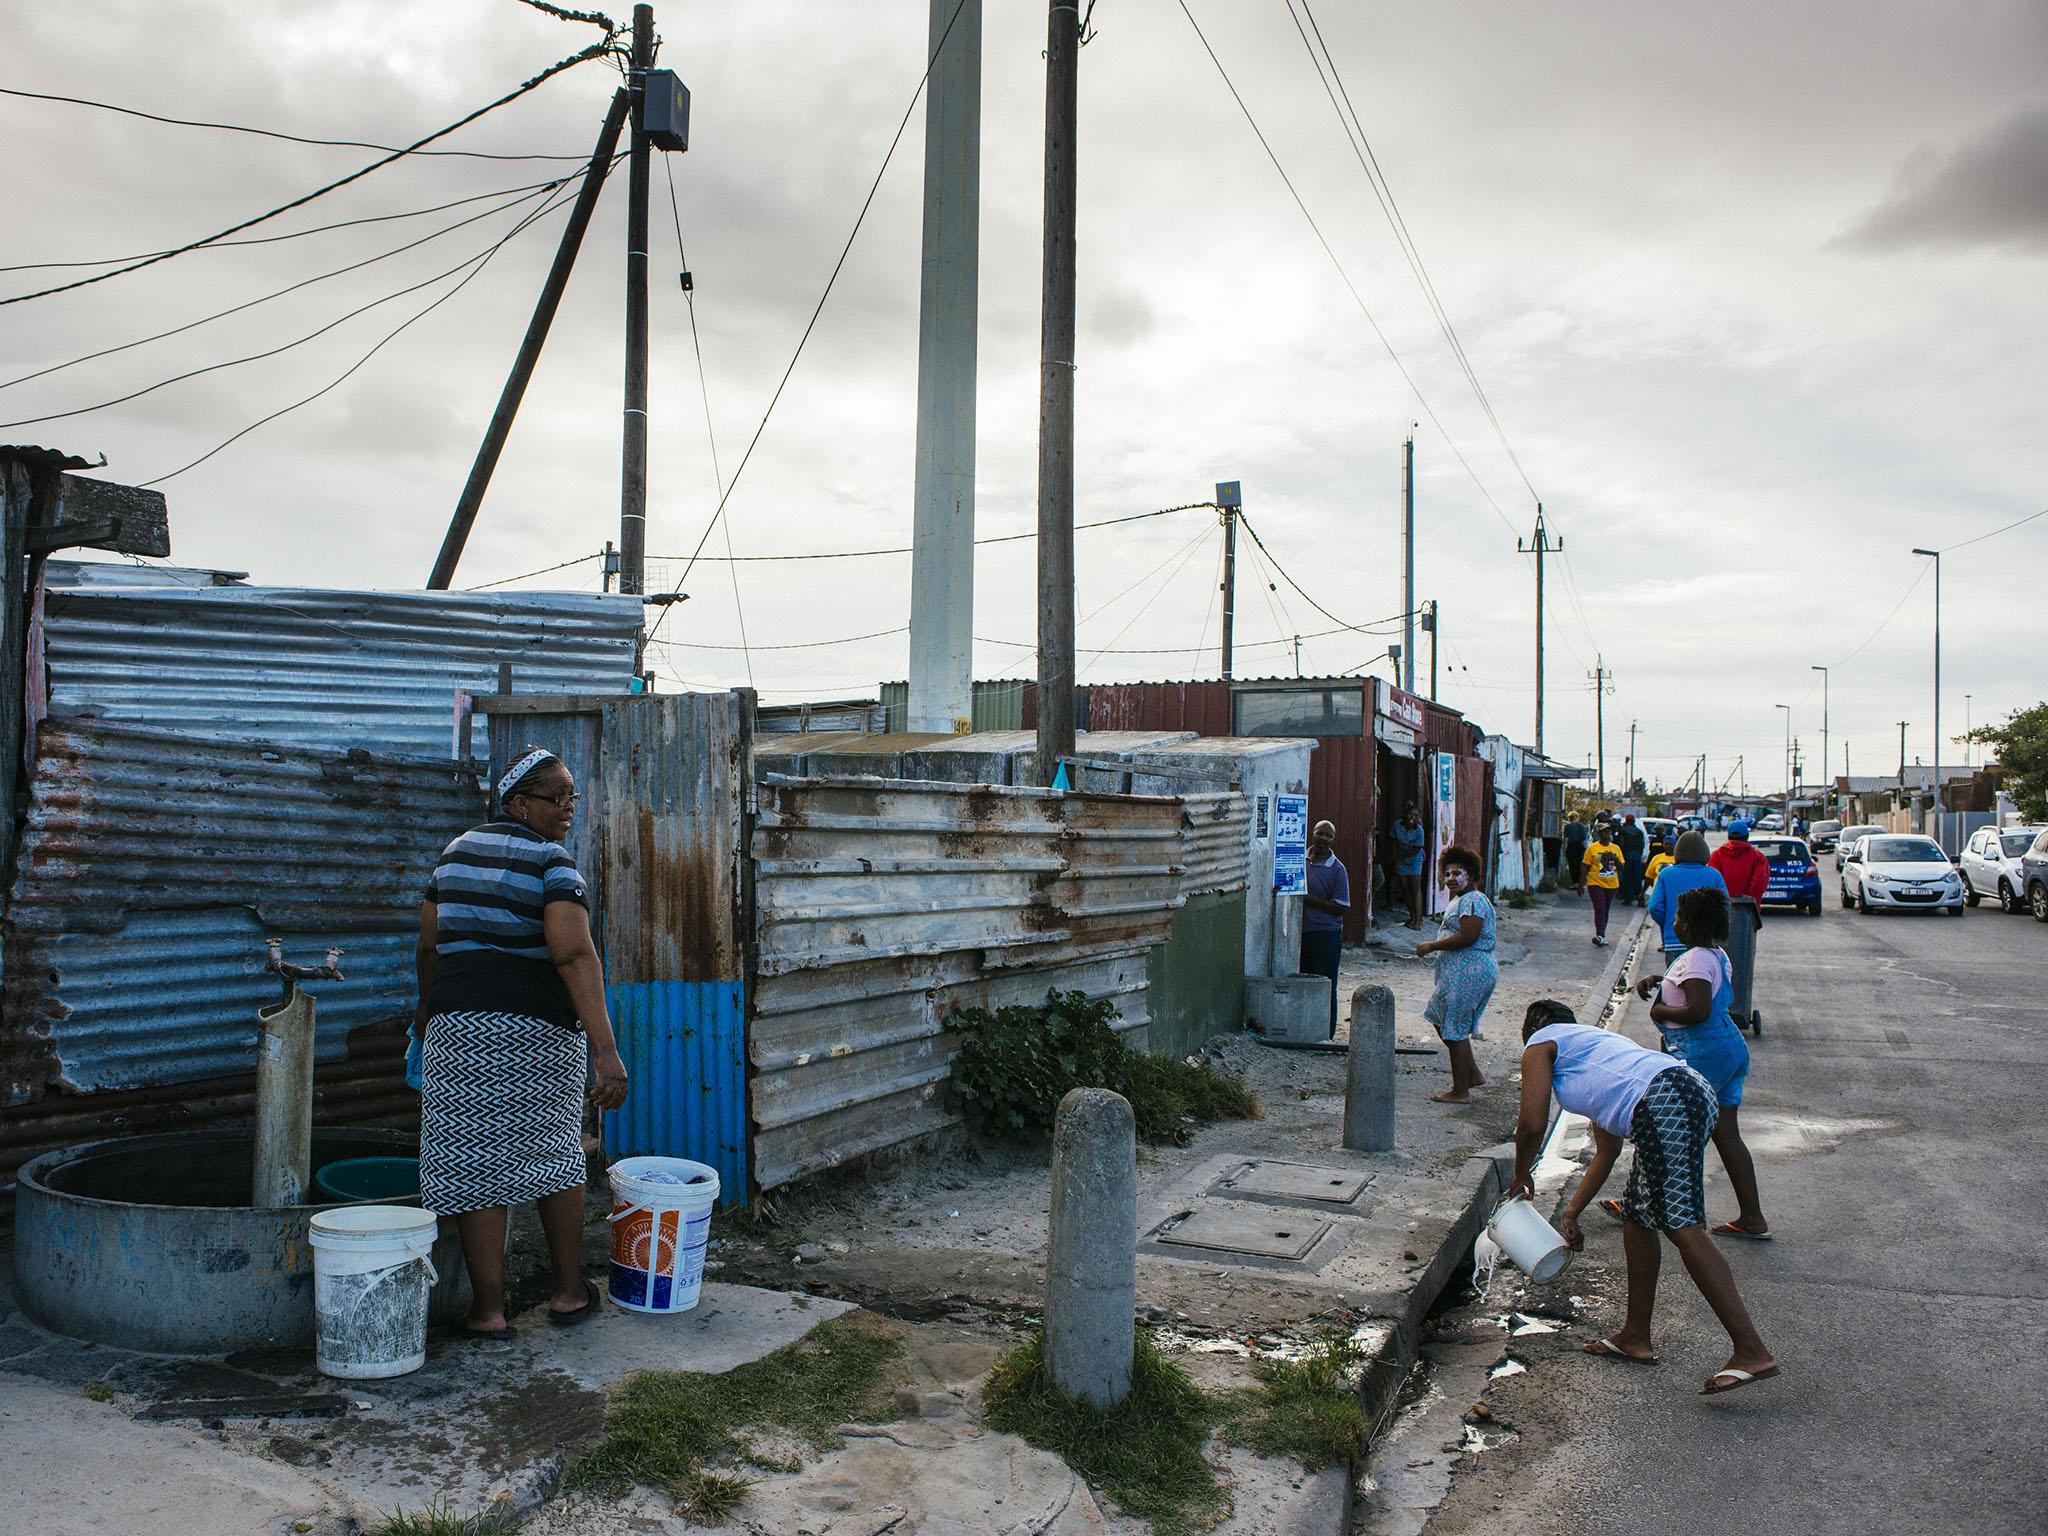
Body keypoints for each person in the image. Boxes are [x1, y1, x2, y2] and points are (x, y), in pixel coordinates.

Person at [414, 746, 632, 1340]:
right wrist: (605, 1050)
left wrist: (423, 1016)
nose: (567, 809)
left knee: (475, 1160)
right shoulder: (552, 863)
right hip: (533, 1031)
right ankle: (565, 1292)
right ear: (518, 803)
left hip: (457, 1030)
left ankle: (488, 1310)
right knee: (556, 1154)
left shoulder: (453, 855)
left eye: (571, 797)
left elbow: (430, 945)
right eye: (555, 798)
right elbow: (571, 952)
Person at [1510, 1000, 1779, 1396]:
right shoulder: (1592, 1048)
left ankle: (1750, 1349)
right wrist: (1572, 1212)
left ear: (1529, 1029)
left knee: (1682, 1224)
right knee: (1638, 1217)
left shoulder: (1539, 1043)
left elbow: (1531, 1124)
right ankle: (1635, 1336)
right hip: (1686, 1091)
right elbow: (1607, 1152)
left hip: (1665, 1102)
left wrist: (1520, 1176)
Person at [1633, 888, 1769, 1237]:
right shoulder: (1714, 954)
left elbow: (1697, 1009)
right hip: (1729, 1050)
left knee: (1665, 1127)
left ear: (1690, 925)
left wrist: (1660, 1008)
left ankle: (1643, 1203)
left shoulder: (1694, 958)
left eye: (1679, 917)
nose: (1674, 922)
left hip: (1700, 1053)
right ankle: (1751, 1216)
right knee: (1727, 1135)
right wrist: (1662, 982)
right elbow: (1696, 989)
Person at [1417, 845, 1496, 1102]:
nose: (1451, 878)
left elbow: (1468, 936)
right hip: (1457, 973)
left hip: (1470, 972)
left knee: (1455, 1027)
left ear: (1471, 875)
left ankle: (1460, 1091)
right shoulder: (1460, 900)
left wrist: (1432, 946)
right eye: (1447, 873)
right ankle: (1472, 1073)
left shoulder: (1472, 900)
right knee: (1440, 1018)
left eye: (1457, 873)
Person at [1646, 831, 1727, 962]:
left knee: (1676, 981)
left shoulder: (1666, 874)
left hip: (1674, 941)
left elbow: (1654, 906)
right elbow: (1725, 907)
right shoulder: (1714, 875)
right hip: (1706, 941)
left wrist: (1669, 922)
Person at [1300, 820, 1349, 1038]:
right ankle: (1303, 1028)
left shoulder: (1337, 870)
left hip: (1325, 935)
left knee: (1326, 984)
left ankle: (1326, 1033)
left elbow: (1340, 907)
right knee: (1302, 982)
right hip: (1299, 933)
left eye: (1328, 835)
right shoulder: (1300, 860)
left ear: (1333, 840)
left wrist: (1309, 900)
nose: (1323, 838)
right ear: (1312, 834)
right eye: (1320, 833)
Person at [1710, 819, 1771, 922]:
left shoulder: (1716, 856)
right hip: (1748, 910)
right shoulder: (1758, 857)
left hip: (1722, 910)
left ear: (1728, 836)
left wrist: (1723, 902)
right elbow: (1758, 884)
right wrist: (1747, 902)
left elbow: (1712, 883)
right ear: (1747, 836)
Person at [1582, 823, 1623, 945]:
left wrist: (1615, 859)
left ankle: (1602, 935)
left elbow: (1622, 867)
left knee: (1606, 910)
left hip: (1611, 884)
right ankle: (1600, 935)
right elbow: (1585, 866)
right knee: (1600, 908)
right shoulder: (1592, 848)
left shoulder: (1616, 848)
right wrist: (1580, 883)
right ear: (1599, 834)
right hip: (1595, 882)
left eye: (1608, 832)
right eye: (1604, 832)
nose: (1607, 834)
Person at [1389, 802, 1428, 930]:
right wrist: (1395, 857)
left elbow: (1416, 850)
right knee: (1405, 890)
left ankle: (1418, 921)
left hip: (1415, 860)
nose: (1412, 817)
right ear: (1405, 815)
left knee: (1415, 890)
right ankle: (1412, 917)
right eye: (1410, 814)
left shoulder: (1419, 830)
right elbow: (1393, 841)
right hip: (1401, 860)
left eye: (1416, 816)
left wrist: (1399, 856)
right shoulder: (1397, 825)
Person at [1617, 813, 1648, 906]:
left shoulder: (1623, 830)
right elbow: (1642, 845)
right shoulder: (1639, 831)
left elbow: (1621, 844)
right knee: (1637, 877)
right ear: (1634, 821)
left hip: (1627, 855)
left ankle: (1628, 899)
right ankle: (1639, 899)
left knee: (1627, 877)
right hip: (1636, 855)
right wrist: (1639, 854)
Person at [1562, 811, 1589, 897]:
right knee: (1579, 864)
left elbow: (1566, 839)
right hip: (1580, 847)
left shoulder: (1568, 826)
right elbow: (1585, 837)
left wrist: (1564, 849)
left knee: (1572, 865)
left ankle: (1575, 883)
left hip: (1571, 846)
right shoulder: (1582, 826)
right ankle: (1581, 882)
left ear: (1569, 818)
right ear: (1577, 818)